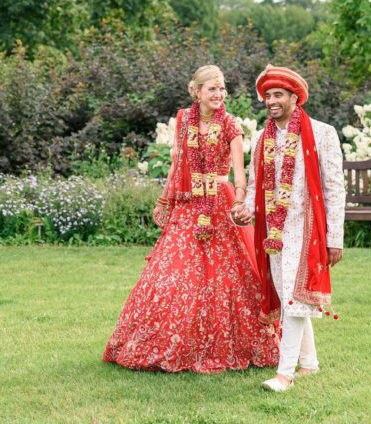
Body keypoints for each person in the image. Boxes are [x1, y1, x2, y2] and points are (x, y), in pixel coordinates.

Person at [102, 65, 279, 373]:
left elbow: (240, 173)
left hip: (220, 207)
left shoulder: (230, 125)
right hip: (187, 206)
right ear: (196, 92)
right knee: (172, 273)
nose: (219, 94)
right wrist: (164, 199)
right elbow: (177, 163)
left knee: (227, 276)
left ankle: (231, 344)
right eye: (212, 88)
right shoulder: (184, 119)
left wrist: (239, 200)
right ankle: (162, 343)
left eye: (222, 88)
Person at [233, 64, 345, 392]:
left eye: (278, 94)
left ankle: (285, 374)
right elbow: (256, 185)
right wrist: (245, 210)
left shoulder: (322, 133)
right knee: (286, 295)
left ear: (295, 98)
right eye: (267, 95)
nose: (271, 101)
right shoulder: (261, 137)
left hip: (307, 228)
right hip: (274, 231)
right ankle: (309, 362)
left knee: (295, 299)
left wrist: (334, 237)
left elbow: (334, 188)